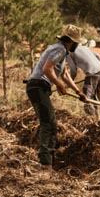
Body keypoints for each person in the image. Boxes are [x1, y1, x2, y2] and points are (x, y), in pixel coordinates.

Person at [24, 34, 87, 165]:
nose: (77, 45)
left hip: (38, 87)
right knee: (48, 123)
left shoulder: (61, 51)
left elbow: (65, 75)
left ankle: (50, 160)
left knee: (51, 123)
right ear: (71, 42)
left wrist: (78, 91)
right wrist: (59, 85)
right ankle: (45, 162)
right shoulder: (60, 49)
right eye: (76, 43)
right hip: (38, 86)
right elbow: (47, 69)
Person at [66, 43, 100, 116]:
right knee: (95, 100)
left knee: (86, 100)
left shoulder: (68, 52)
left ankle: (93, 119)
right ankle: (97, 118)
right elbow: (98, 56)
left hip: (92, 74)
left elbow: (73, 71)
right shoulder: (84, 47)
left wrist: (70, 82)